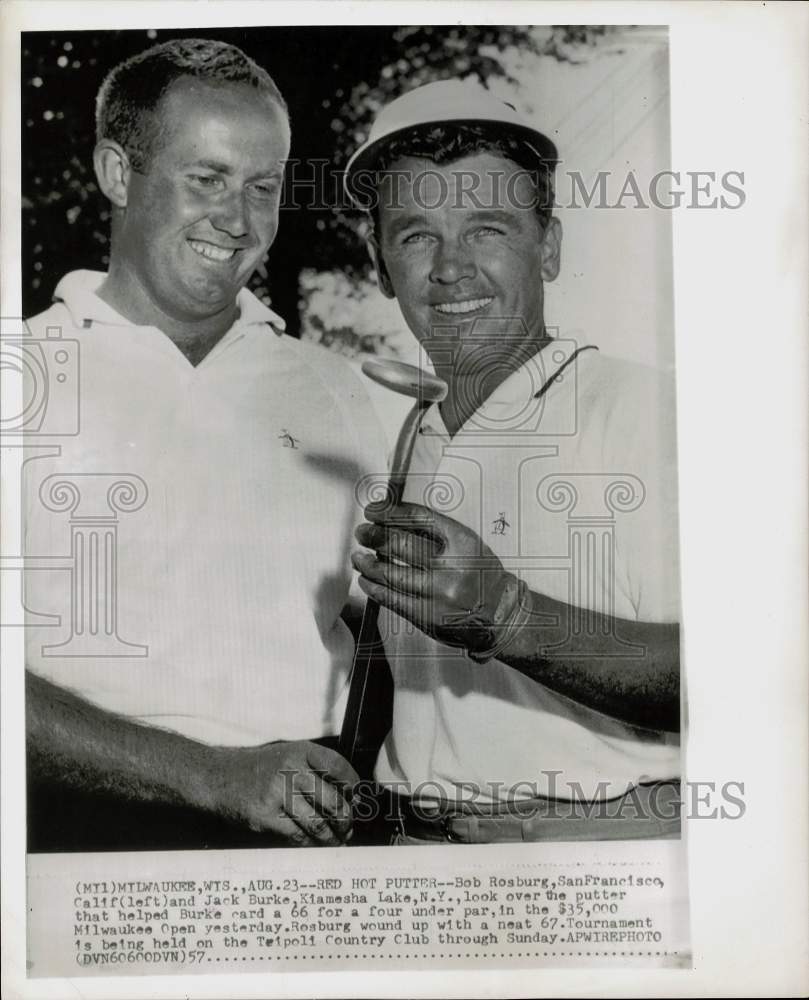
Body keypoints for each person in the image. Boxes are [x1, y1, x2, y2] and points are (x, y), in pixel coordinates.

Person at [23, 38, 385, 850]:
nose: (240, 220)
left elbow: (387, 633)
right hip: (77, 840)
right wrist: (213, 775)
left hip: (308, 834)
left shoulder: (340, 390)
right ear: (118, 173)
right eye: (207, 179)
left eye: (264, 187)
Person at [345, 80, 682, 844]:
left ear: (549, 247)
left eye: (487, 229)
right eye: (415, 235)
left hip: (590, 861)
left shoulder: (643, 412)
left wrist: (509, 615)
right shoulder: (409, 435)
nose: (450, 268)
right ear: (380, 265)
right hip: (415, 857)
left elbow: (741, 672)